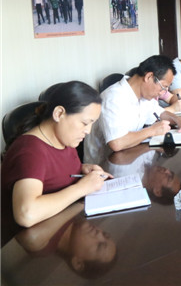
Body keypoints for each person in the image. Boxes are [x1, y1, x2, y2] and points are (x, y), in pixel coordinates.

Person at [1, 81, 111, 228]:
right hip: (31, 237)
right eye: (85, 123)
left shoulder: (63, 139)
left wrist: (82, 168)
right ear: (59, 114)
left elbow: (51, 170)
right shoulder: (30, 150)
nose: (88, 131)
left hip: (63, 222)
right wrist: (82, 188)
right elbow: (26, 214)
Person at [84, 55, 181, 164]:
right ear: (149, 77)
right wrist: (151, 131)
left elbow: (161, 112)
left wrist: (180, 121)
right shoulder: (113, 97)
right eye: (163, 87)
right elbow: (117, 143)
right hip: (105, 165)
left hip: (131, 156)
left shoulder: (144, 95)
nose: (163, 93)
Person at [13, 203, 117, 279]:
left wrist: (81, 203)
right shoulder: (77, 215)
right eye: (105, 234)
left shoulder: (45, 246)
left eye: (99, 245)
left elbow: (30, 238)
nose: (99, 234)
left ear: (78, 262)